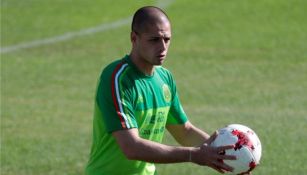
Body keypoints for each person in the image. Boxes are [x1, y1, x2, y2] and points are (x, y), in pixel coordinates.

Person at [85, 6, 236, 175]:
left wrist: (227, 154)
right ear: (134, 38)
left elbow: (184, 131)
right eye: (154, 40)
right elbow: (131, 147)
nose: (162, 47)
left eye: (167, 39)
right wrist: (193, 155)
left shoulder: (165, 79)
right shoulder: (117, 79)